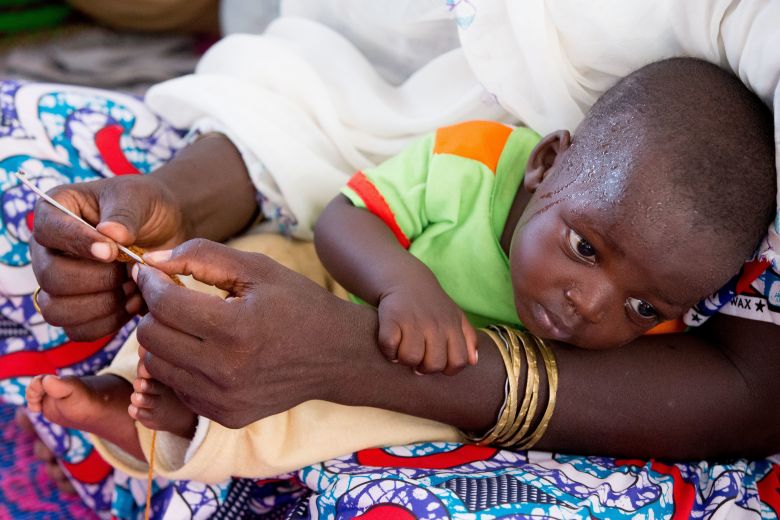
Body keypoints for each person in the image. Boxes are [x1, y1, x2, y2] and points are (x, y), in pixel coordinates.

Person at [24, 58, 776, 484]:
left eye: (644, 308)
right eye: (584, 248)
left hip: (424, 383)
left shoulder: (634, 279)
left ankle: (162, 426)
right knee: (218, 277)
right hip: (330, 284)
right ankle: (125, 378)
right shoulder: (475, 161)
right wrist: (403, 286)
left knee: (347, 422)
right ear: (547, 164)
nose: (590, 305)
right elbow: (343, 216)